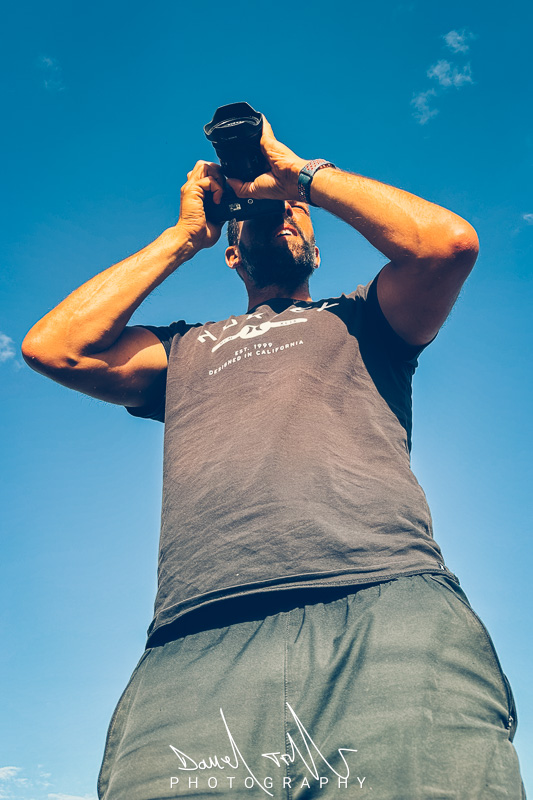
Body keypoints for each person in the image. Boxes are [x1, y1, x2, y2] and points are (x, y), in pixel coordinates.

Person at [21, 116, 526, 800]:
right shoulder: (181, 349)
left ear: (316, 246)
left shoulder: (364, 319)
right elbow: (54, 349)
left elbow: (445, 245)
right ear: (231, 254)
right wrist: (183, 237)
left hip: (385, 611)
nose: (279, 216)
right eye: (258, 216)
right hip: (195, 638)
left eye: (293, 213)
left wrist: (300, 177)